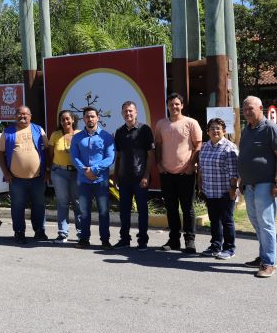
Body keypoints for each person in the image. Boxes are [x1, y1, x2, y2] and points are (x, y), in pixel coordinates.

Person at [238, 96, 277, 278]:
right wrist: (242, 179)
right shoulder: (247, 130)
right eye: (244, 109)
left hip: (265, 184)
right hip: (249, 185)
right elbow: (245, 154)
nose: (247, 111)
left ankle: (269, 263)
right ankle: (263, 256)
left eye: (250, 108)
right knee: (256, 222)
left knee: (266, 224)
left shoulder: (271, 129)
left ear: (260, 107)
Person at [154, 93, 202, 253]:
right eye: (171, 104)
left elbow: (198, 146)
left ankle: (190, 241)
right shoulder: (161, 124)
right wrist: (159, 164)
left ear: (182, 106)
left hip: (186, 173)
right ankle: (174, 240)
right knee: (171, 208)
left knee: (187, 208)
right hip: (167, 173)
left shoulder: (191, 123)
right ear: (167, 105)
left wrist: (191, 165)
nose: (174, 107)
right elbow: (158, 145)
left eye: (177, 104)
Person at [0, 105, 48, 245]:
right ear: (15, 116)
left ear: (30, 116)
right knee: (17, 207)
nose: (22, 117)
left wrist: (47, 170)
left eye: (26, 114)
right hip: (16, 179)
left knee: (39, 205)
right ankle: (19, 232)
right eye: (19, 114)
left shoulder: (39, 130)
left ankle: (39, 231)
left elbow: (47, 150)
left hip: (38, 178)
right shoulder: (8, 132)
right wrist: (5, 173)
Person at [70, 106, 115, 250]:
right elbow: (74, 156)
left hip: (100, 181)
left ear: (98, 118)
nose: (90, 119)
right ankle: (84, 239)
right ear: (83, 118)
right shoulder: (77, 137)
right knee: (84, 212)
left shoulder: (106, 136)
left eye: (92, 116)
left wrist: (94, 169)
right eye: (87, 116)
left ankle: (105, 240)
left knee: (103, 211)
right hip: (83, 181)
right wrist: (84, 170)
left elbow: (110, 157)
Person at [112, 101, 155, 251]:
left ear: (136, 112)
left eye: (130, 111)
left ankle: (142, 240)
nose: (128, 114)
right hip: (124, 179)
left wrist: (146, 176)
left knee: (142, 210)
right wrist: (116, 175)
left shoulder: (144, 130)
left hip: (140, 178)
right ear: (122, 113)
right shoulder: (119, 132)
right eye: (125, 111)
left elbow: (150, 155)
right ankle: (124, 239)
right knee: (124, 211)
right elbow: (118, 156)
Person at [197, 118, 239, 260]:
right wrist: (200, 186)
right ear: (207, 131)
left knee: (227, 220)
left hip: (225, 192)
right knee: (214, 220)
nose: (215, 131)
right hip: (210, 191)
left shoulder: (230, 148)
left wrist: (233, 190)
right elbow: (201, 169)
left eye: (218, 128)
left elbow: (234, 173)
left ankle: (229, 248)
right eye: (212, 128)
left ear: (224, 131)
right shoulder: (205, 147)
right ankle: (215, 246)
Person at [46, 110, 82, 244]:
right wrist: (48, 171)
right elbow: (49, 155)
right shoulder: (55, 135)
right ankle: (62, 233)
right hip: (59, 172)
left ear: (73, 120)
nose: (65, 122)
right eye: (62, 120)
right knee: (62, 202)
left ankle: (81, 233)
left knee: (78, 202)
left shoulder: (80, 134)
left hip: (77, 173)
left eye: (67, 119)